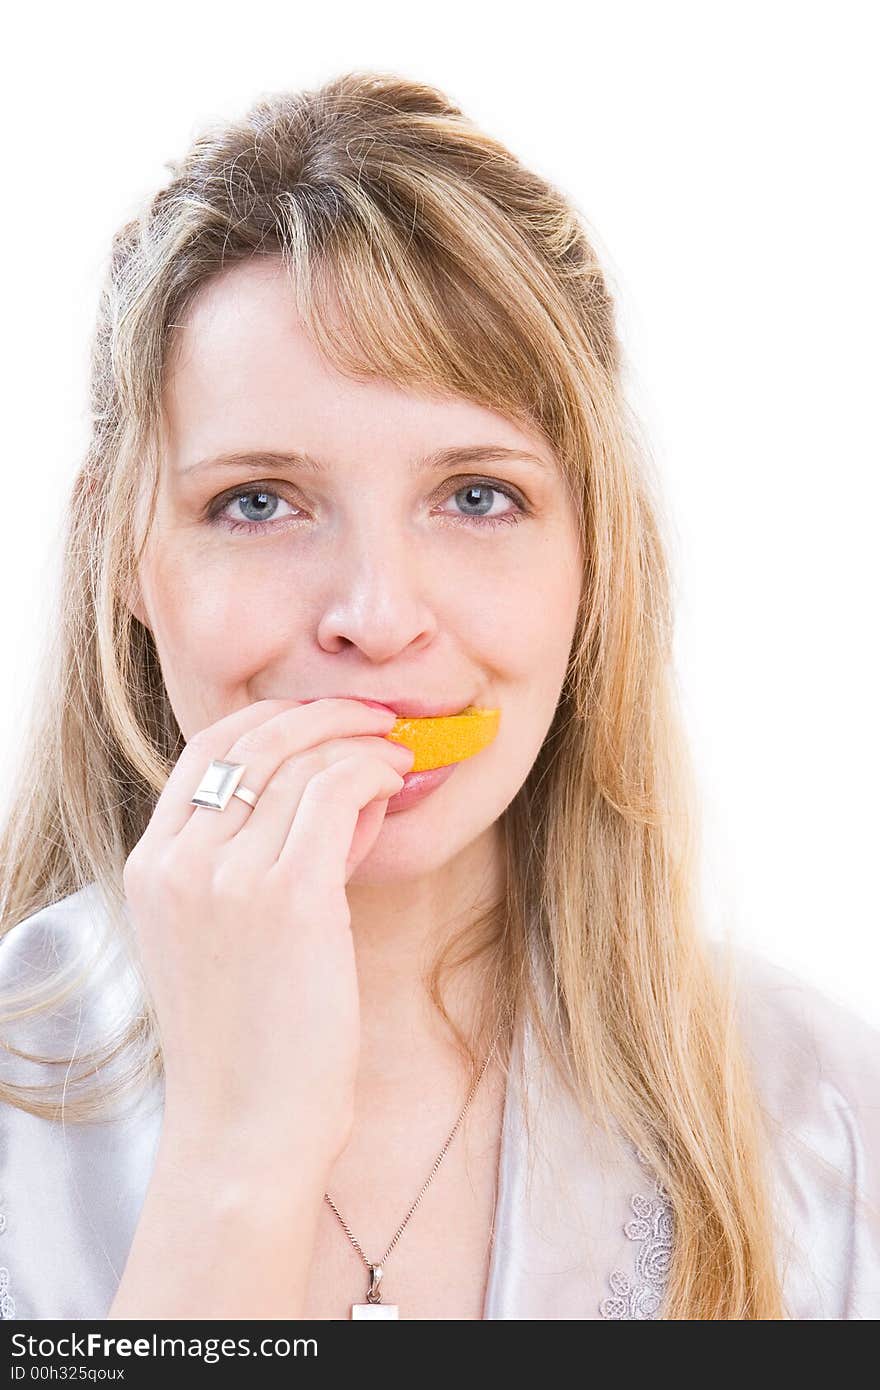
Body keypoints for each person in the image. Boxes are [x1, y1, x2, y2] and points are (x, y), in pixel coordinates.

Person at [0, 71, 878, 1322]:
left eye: (476, 496)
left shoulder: (826, 1121)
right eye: (257, 501)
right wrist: (239, 1158)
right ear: (124, 557)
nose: (377, 613)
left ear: (592, 557)